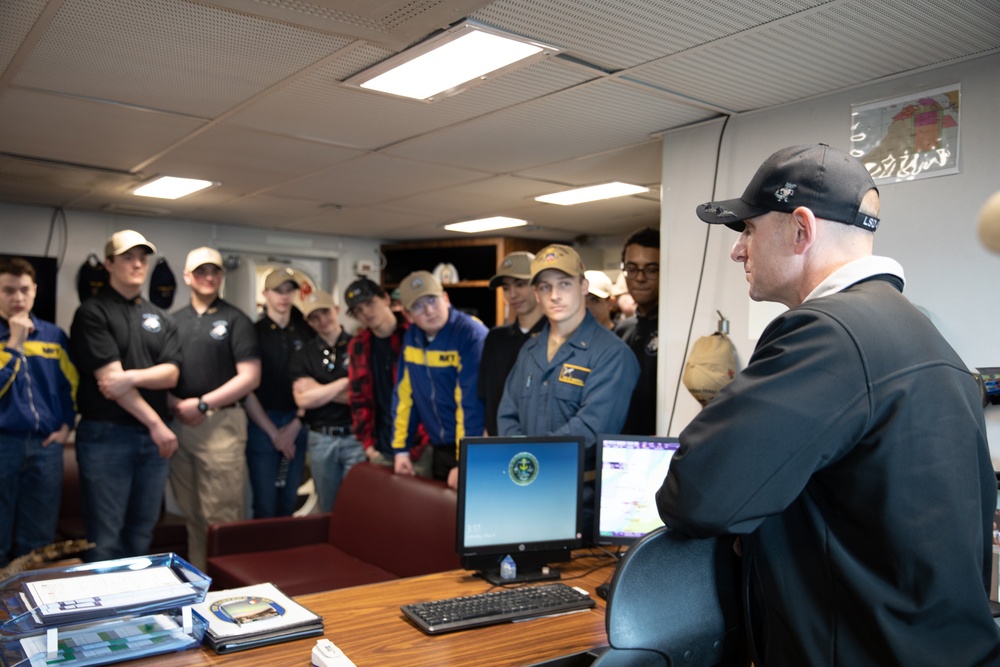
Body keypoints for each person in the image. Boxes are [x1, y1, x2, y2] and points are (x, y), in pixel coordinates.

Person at [656, 144, 1000, 666]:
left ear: (801, 228)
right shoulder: (928, 338)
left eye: (747, 229)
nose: (737, 250)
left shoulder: (824, 334)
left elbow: (696, 494)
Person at [497, 244, 639, 535]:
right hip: (525, 495)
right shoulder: (530, 350)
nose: (555, 295)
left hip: (581, 502)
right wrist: (525, 466)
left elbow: (591, 427)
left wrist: (530, 461)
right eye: (545, 287)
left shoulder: (611, 354)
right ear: (536, 294)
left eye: (564, 284)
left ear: (583, 286)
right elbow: (507, 415)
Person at [69, 230, 182, 562]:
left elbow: (172, 374)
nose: (137, 264)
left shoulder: (160, 317)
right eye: (128, 258)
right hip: (107, 435)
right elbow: (109, 383)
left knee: (141, 532)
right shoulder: (93, 312)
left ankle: (136, 611)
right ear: (108, 264)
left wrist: (131, 376)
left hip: (150, 442)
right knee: (105, 538)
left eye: (142, 258)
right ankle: (105, 615)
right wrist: (156, 424)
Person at [169, 247, 260, 570]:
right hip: (181, 424)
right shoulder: (173, 321)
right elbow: (165, 374)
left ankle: (227, 591)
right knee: (192, 514)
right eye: (201, 272)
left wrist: (204, 403)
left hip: (221, 424)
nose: (209, 277)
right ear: (187, 276)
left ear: (222, 276)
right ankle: (200, 587)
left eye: (215, 272)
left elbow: (250, 377)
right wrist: (178, 405)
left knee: (221, 517)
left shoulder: (236, 320)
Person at [0, 257, 77, 566]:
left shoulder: (53, 336)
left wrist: (67, 425)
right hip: (4, 444)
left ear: (34, 291)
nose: (18, 298)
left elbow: (70, 387)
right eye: (8, 291)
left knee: (38, 539)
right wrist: (15, 342)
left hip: (46, 447)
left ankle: (32, 607)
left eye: (24, 290)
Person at [391, 270, 487, 489]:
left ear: (446, 298)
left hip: (473, 450)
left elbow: (470, 404)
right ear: (408, 314)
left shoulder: (471, 334)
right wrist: (401, 450)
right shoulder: (412, 337)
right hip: (439, 448)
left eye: (432, 300)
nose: (428, 310)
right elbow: (404, 396)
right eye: (418, 306)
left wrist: (464, 460)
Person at [343, 278, 430, 475]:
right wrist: (368, 445)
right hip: (380, 447)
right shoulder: (358, 345)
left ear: (386, 299)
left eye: (369, 303)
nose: (366, 312)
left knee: (422, 504)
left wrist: (427, 438)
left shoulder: (416, 334)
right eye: (358, 310)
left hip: (420, 444)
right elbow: (358, 398)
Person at [243, 268, 311, 518]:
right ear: (265, 294)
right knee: (265, 503)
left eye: (289, 291)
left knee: (289, 501)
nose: (284, 297)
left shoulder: (305, 331)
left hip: (298, 421)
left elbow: (312, 383)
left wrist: (295, 425)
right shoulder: (252, 331)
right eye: (277, 291)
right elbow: (246, 387)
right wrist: (274, 433)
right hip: (262, 423)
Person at [289, 289, 363, 511]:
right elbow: (303, 401)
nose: (322, 320)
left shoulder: (359, 346)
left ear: (337, 310)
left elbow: (363, 397)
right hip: (321, 439)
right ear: (308, 322)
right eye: (314, 317)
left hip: (356, 438)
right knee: (328, 507)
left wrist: (318, 390)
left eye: (326, 313)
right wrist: (343, 383)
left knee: (358, 506)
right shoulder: (304, 354)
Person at [477, 252, 545, 436]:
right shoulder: (495, 339)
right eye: (506, 288)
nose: (512, 294)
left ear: (538, 285)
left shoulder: (555, 337)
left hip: (541, 447)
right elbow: (487, 399)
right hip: (498, 447)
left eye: (520, 284)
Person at [615, 227, 659, 435]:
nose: (640, 278)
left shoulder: (680, 329)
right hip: (618, 442)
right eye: (632, 269)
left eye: (651, 269)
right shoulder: (623, 329)